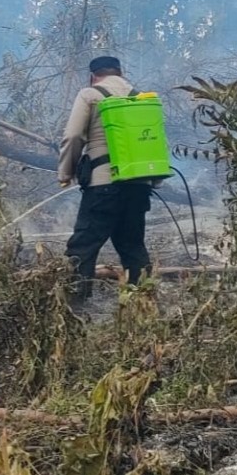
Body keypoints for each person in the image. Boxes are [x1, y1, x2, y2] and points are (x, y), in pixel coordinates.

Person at [57, 55, 153, 308]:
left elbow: (73, 135)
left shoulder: (90, 94)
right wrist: (152, 182)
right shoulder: (140, 97)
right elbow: (153, 142)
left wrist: (65, 174)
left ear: (93, 75)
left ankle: (75, 309)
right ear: (121, 73)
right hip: (138, 186)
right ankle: (142, 308)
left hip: (103, 185)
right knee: (132, 247)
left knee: (83, 247)